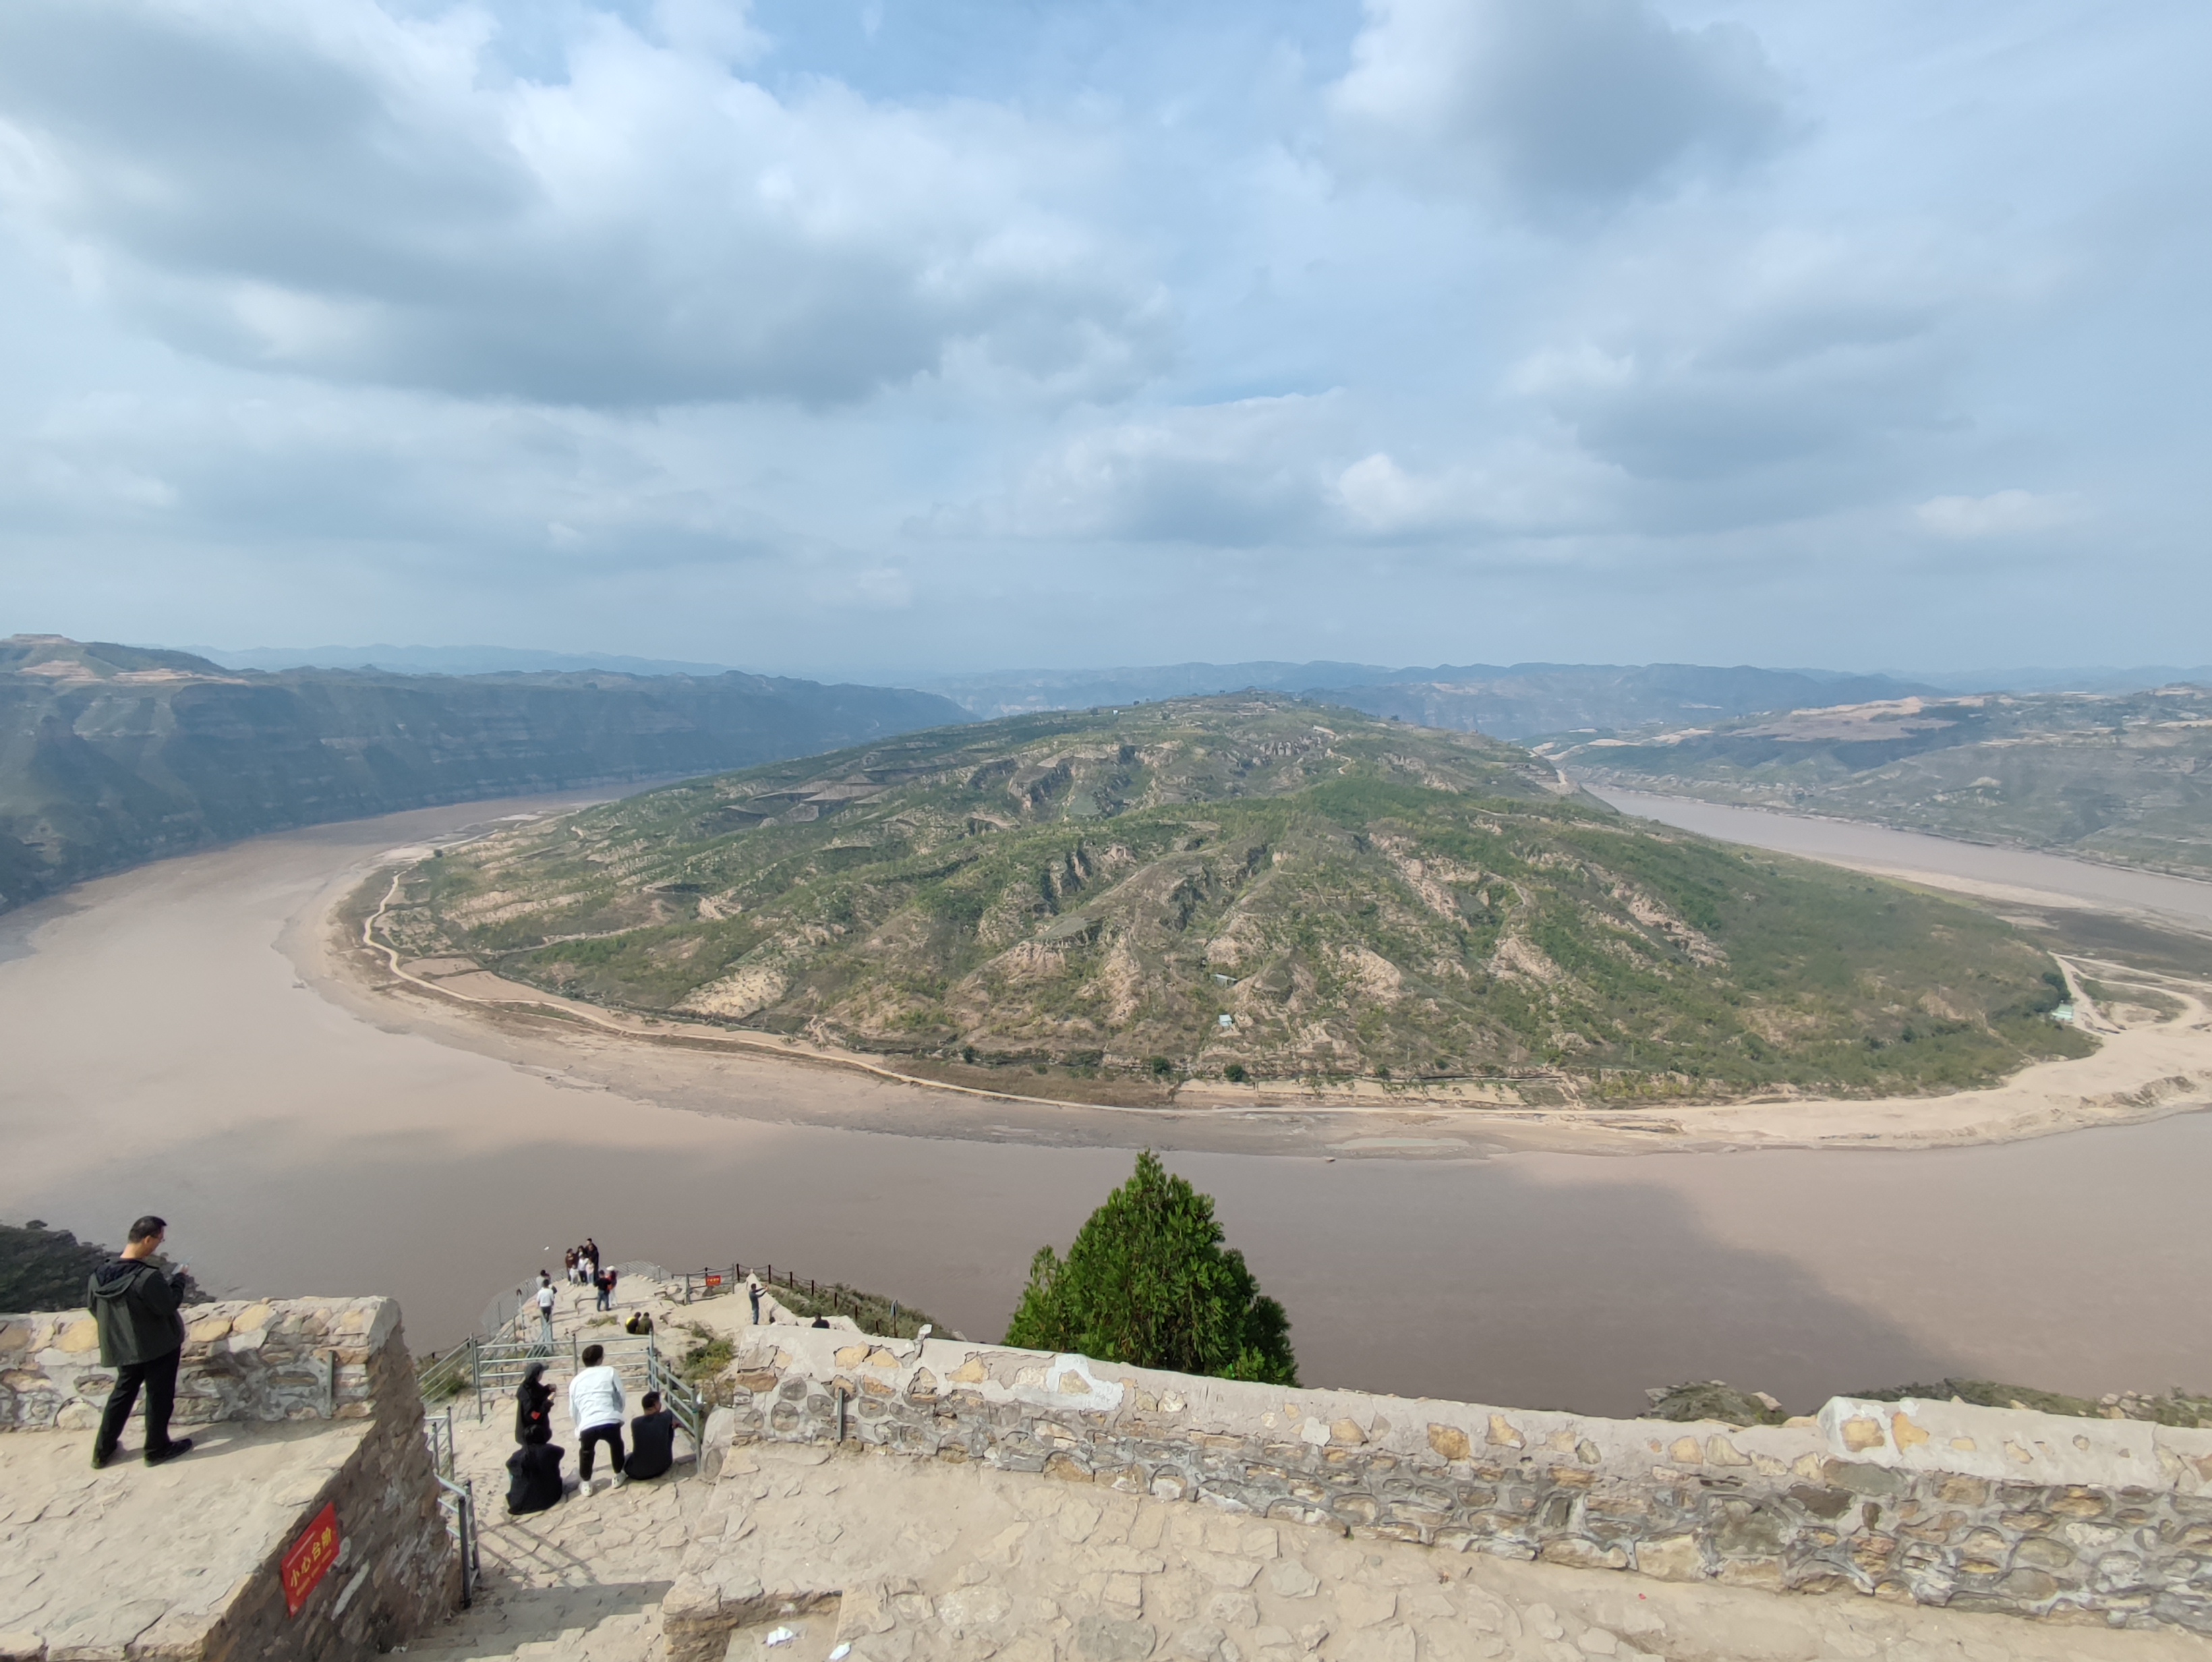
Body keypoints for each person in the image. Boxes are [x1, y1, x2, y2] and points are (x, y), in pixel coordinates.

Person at [86, 1214, 194, 1470]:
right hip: (159, 1346)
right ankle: (157, 1448)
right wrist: (178, 1280)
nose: (160, 1244)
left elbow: (95, 1308)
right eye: (159, 1239)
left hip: (123, 1347)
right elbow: (167, 1305)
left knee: (122, 1394)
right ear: (147, 1239)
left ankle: (103, 1451)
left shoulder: (98, 1276)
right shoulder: (147, 1277)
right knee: (159, 1395)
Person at [569, 1342, 625, 1491]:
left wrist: (579, 1425)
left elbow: (573, 1408)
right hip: (609, 1418)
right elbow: (620, 1395)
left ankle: (586, 1483)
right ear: (600, 1359)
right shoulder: (610, 1372)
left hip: (588, 1423)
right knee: (616, 1445)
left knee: (586, 1452)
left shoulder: (576, 1381)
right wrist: (617, 1412)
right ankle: (618, 1474)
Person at [626, 1390, 678, 1481]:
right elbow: (670, 1412)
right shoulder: (665, 1417)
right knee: (669, 1428)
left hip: (638, 1473)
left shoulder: (635, 1423)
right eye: (659, 1402)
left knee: (627, 1457)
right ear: (655, 1405)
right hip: (664, 1466)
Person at [505, 1439, 565, 1514]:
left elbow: (510, 1465)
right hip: (553, 1497)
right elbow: (561, 1451)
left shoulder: (517, 1457)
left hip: (522, 1503)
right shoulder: (551, 1450)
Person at [515, 1360, 554, 1445]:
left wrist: (548, 1389)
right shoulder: (526, 1394)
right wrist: (547, 1403)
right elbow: (534, 1416)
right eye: (541, 1373)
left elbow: (538, 1393)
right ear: (537, 1375)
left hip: (537, 1431)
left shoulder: (529, 1385)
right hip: (531, 1436)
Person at [534, 1273, 557, 1344]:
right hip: (549, 1306)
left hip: (543, 1306)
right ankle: (548, 1326)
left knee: (544, 1318)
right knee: (549, 1317)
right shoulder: (550, 1291)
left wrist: (538, 1306)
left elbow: (538, 1300)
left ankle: (545, 1329)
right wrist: (553, 1305)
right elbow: (552, 1299)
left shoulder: (540, 1292)